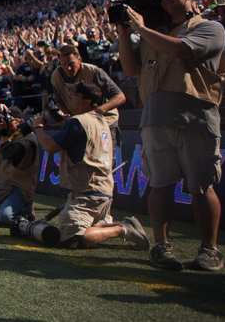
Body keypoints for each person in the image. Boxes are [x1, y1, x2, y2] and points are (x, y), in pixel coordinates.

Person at [118, 0, 225, 271]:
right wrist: (124, 32)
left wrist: (141, 29)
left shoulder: (209, 28)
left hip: (196, 118)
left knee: (201, 186)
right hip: (155, 119)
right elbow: (130, 69)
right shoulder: (155, 35)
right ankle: (161, 246)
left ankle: (209, 249)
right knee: (160, 185)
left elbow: (180, 50)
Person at [31, 81, 149, 251]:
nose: (69, 97)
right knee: (77, 232)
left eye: (74, 95)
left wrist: (38, 127)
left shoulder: (77, 122)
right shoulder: (100, 120)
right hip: (103, 192)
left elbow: (49, 147)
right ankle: (115, 223)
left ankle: (123, 229)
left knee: (69, 239)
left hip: (86, 195)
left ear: (87, 102)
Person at [51, 43, 126, 148]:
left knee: (107, 159)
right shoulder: (56, 76)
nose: (68, 68)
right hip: (82, 124)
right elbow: (60, 103)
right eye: (64, 64)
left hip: (105, 122)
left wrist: (99, 111)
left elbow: (120, 97)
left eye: (72, 63)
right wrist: (69, 121)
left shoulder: (94, 72)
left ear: (79, 59)